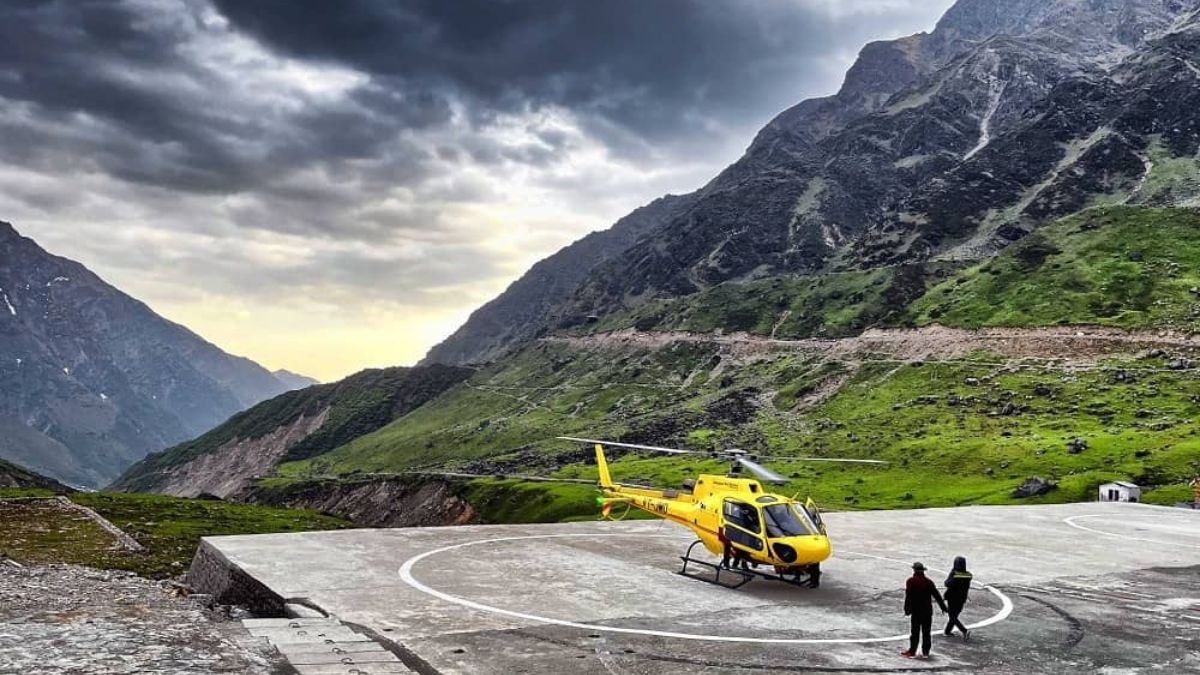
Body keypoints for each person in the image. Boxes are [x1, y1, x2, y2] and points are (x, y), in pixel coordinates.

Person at [901, 562, 946, 659]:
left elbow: (908, 596)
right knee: (926, 633)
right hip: (927, 611)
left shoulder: (911, 581)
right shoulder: (929, 582)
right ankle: (926, 652)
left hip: (916, 611)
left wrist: (907, 610)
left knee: (915, 632)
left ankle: (912, 651)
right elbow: (937, 596)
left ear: (914, 570)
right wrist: (943, 607)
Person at [943, 556, 973, 639]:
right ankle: (947, 631)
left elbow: (947, 583)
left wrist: (952, 573)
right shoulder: (968, 575)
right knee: (954, 616)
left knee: (952, 617)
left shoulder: (955, 574)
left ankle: (964, 630)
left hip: (952, 598)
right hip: (962, 598)